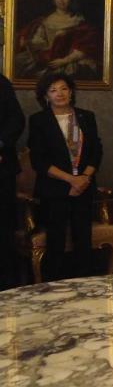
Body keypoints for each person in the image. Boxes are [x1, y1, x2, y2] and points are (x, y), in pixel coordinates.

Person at [28, 73, 102, 281]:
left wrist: (84, 178)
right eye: (53, 90)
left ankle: (86, 284)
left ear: (71, 92)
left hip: (84, 186)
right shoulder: (39, 120)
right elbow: (39, 161)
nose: (59, 94)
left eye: (64, 88)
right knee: (56, 240)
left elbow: (96, 151)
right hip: (55, 189)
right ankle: (56, 288)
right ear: (45, 96)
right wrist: (71, 180)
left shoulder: (86, 117)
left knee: (83, 238)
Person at [15, 0, 102, 80]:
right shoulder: (47, 21)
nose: (61, 0)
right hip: (51, 58)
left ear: (70, 0)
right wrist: (27, 43)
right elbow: (39, 42)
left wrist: (64, 61)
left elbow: (85, 46)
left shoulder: (78, 20)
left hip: (72, 60)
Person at [0, 73, 26, 289]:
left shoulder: (1, 83)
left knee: (3, 227)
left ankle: (7, 284)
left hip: (1, 169)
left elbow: (16, 119)